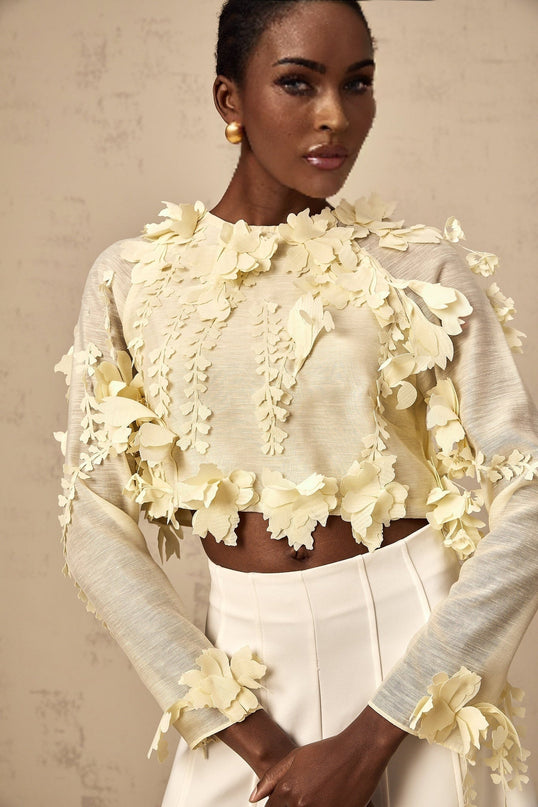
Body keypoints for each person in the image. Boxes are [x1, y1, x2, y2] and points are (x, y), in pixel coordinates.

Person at [55, 1, 538, 805]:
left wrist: (378, 728)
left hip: (414, 662)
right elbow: (92, 526)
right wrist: (247, 731)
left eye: (358, 84)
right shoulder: (131, 280)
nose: (334, 117)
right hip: (241, 674)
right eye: (297, 83)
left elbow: (527, 500)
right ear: (229, 101)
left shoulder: (421, 268)